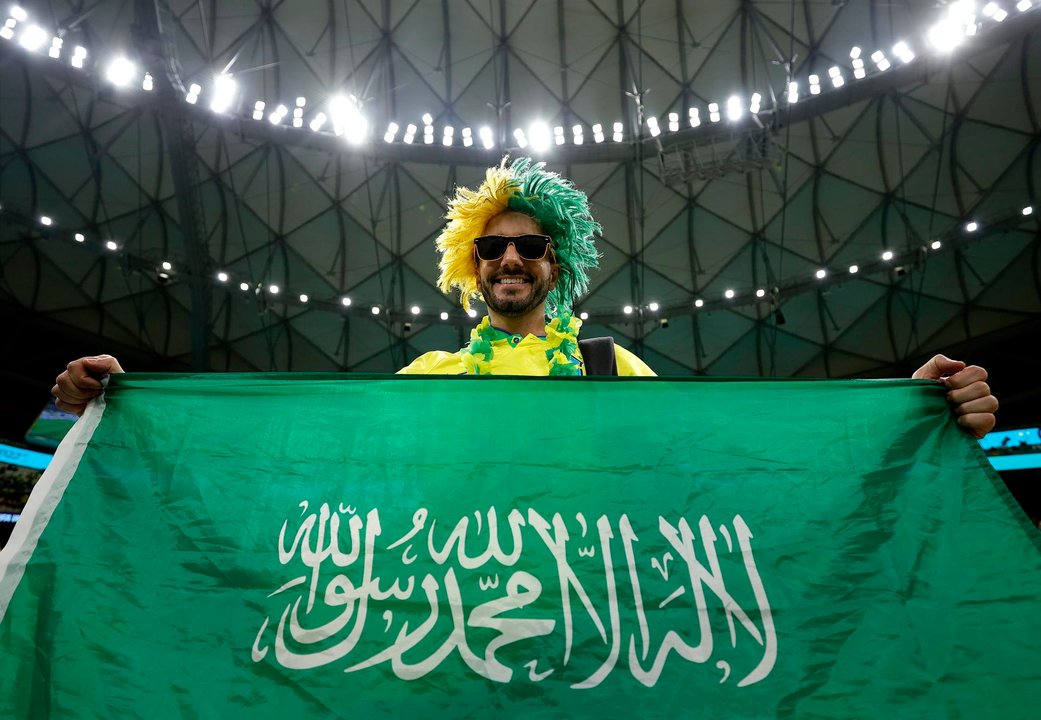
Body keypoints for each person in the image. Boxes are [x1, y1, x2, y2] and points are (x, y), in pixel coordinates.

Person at [52, 157, 999, 437]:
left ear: (558, 265)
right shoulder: (427, 376)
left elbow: (734, 450)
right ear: (470, 266)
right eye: (492, 247)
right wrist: (127, 409)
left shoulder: (607, 366)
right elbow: (293, 447)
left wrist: (907, 413)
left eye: (530, 247)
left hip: (597, 627)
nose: (511, 260)